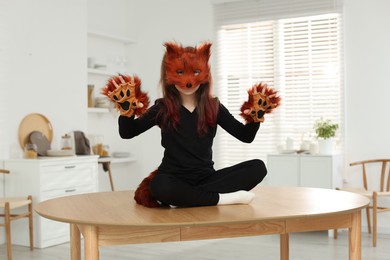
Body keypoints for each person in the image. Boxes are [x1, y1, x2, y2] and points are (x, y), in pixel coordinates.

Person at [103, 42, 280, 207]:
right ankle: (222, 199)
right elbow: (128, 132)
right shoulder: (163, 107)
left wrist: (256, 115)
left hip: (207, 179)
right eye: (180, 73)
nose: (188, 82)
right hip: (173, 179)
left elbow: (245, 136)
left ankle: (190, 197)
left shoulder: (213, 106)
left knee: (258, 167)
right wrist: (126, 111)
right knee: (159, 186)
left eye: (195, 72)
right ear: (169, 75)